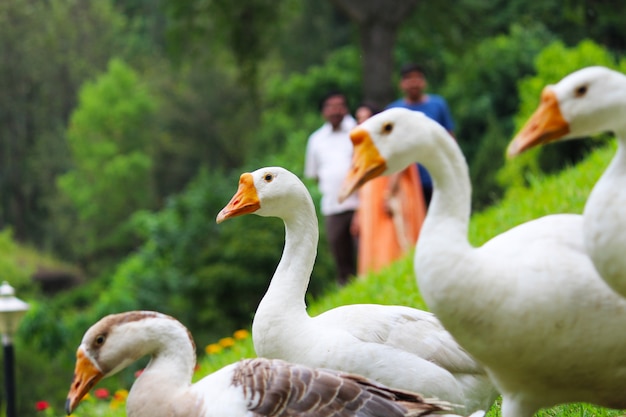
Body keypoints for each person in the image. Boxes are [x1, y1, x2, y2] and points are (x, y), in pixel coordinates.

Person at [354, 102, 426, 275]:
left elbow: (400, 164)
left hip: (389, 193)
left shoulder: (389, 139)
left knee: (393, 235)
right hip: (370, 198)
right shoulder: (363, 146)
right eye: (359, 119)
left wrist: (389, 194)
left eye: (365, 118)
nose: (362, 122)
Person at [304, 91, 359, 286]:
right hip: (332, 206)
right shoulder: (316, 139)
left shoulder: (357, 130)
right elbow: (314, 174)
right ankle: (346, 291)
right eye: (330, 106)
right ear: (323, 111)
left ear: (346, 108)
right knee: (340, 255)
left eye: (340, 105)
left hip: (360, 204)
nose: (335, 110)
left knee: (363, 253)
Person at [387, 63, 455, 207]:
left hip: (437, 173)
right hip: (407, 179)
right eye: (408, 79)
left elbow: (449, 137)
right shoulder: (394, 110)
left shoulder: (438, 105)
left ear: (424, 81)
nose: (413, 83)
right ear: (401, 84)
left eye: (417, 78)